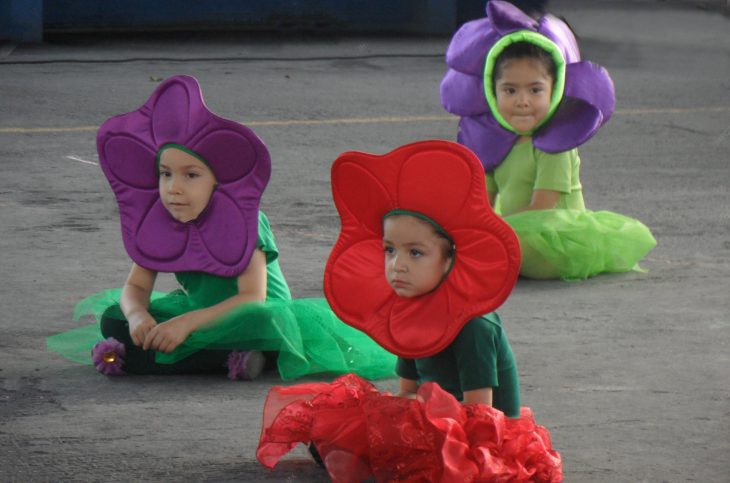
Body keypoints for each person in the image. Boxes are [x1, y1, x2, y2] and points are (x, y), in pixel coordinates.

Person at [47, 75, 395, 381]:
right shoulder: (159, 221)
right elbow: (136, 286)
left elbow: (253, 297)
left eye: (191, 175)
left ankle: (199, 356)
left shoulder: (244, 220)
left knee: (264, 324)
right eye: (166, 174)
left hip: (247, 315)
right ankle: (223, 359)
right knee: (113, 318)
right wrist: (137, 315)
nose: (174, 188)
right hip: (198, 312)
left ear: (220, 182)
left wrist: (187, 325)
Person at [257, 141, 562, 482]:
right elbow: (407, 390)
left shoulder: (474, 325)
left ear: (450, 259)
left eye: (415, 253)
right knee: (349, 416)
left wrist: (403, 426)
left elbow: (482, 417)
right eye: (389, 250)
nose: (397, 265)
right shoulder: (409, 310)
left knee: (400, 443)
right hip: (434, 417)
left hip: (480, 438)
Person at [441, 0, 656, 280]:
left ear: (555, 90)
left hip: (554, 240)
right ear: (491, 93)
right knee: (449, 236)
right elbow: (483, 203)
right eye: (510, 90)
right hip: (515, 233)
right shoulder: (492, 142)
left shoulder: (555, 145)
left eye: (535, 90)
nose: (522, 101)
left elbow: (541, 209)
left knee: (479, 251)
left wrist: (490, 235)